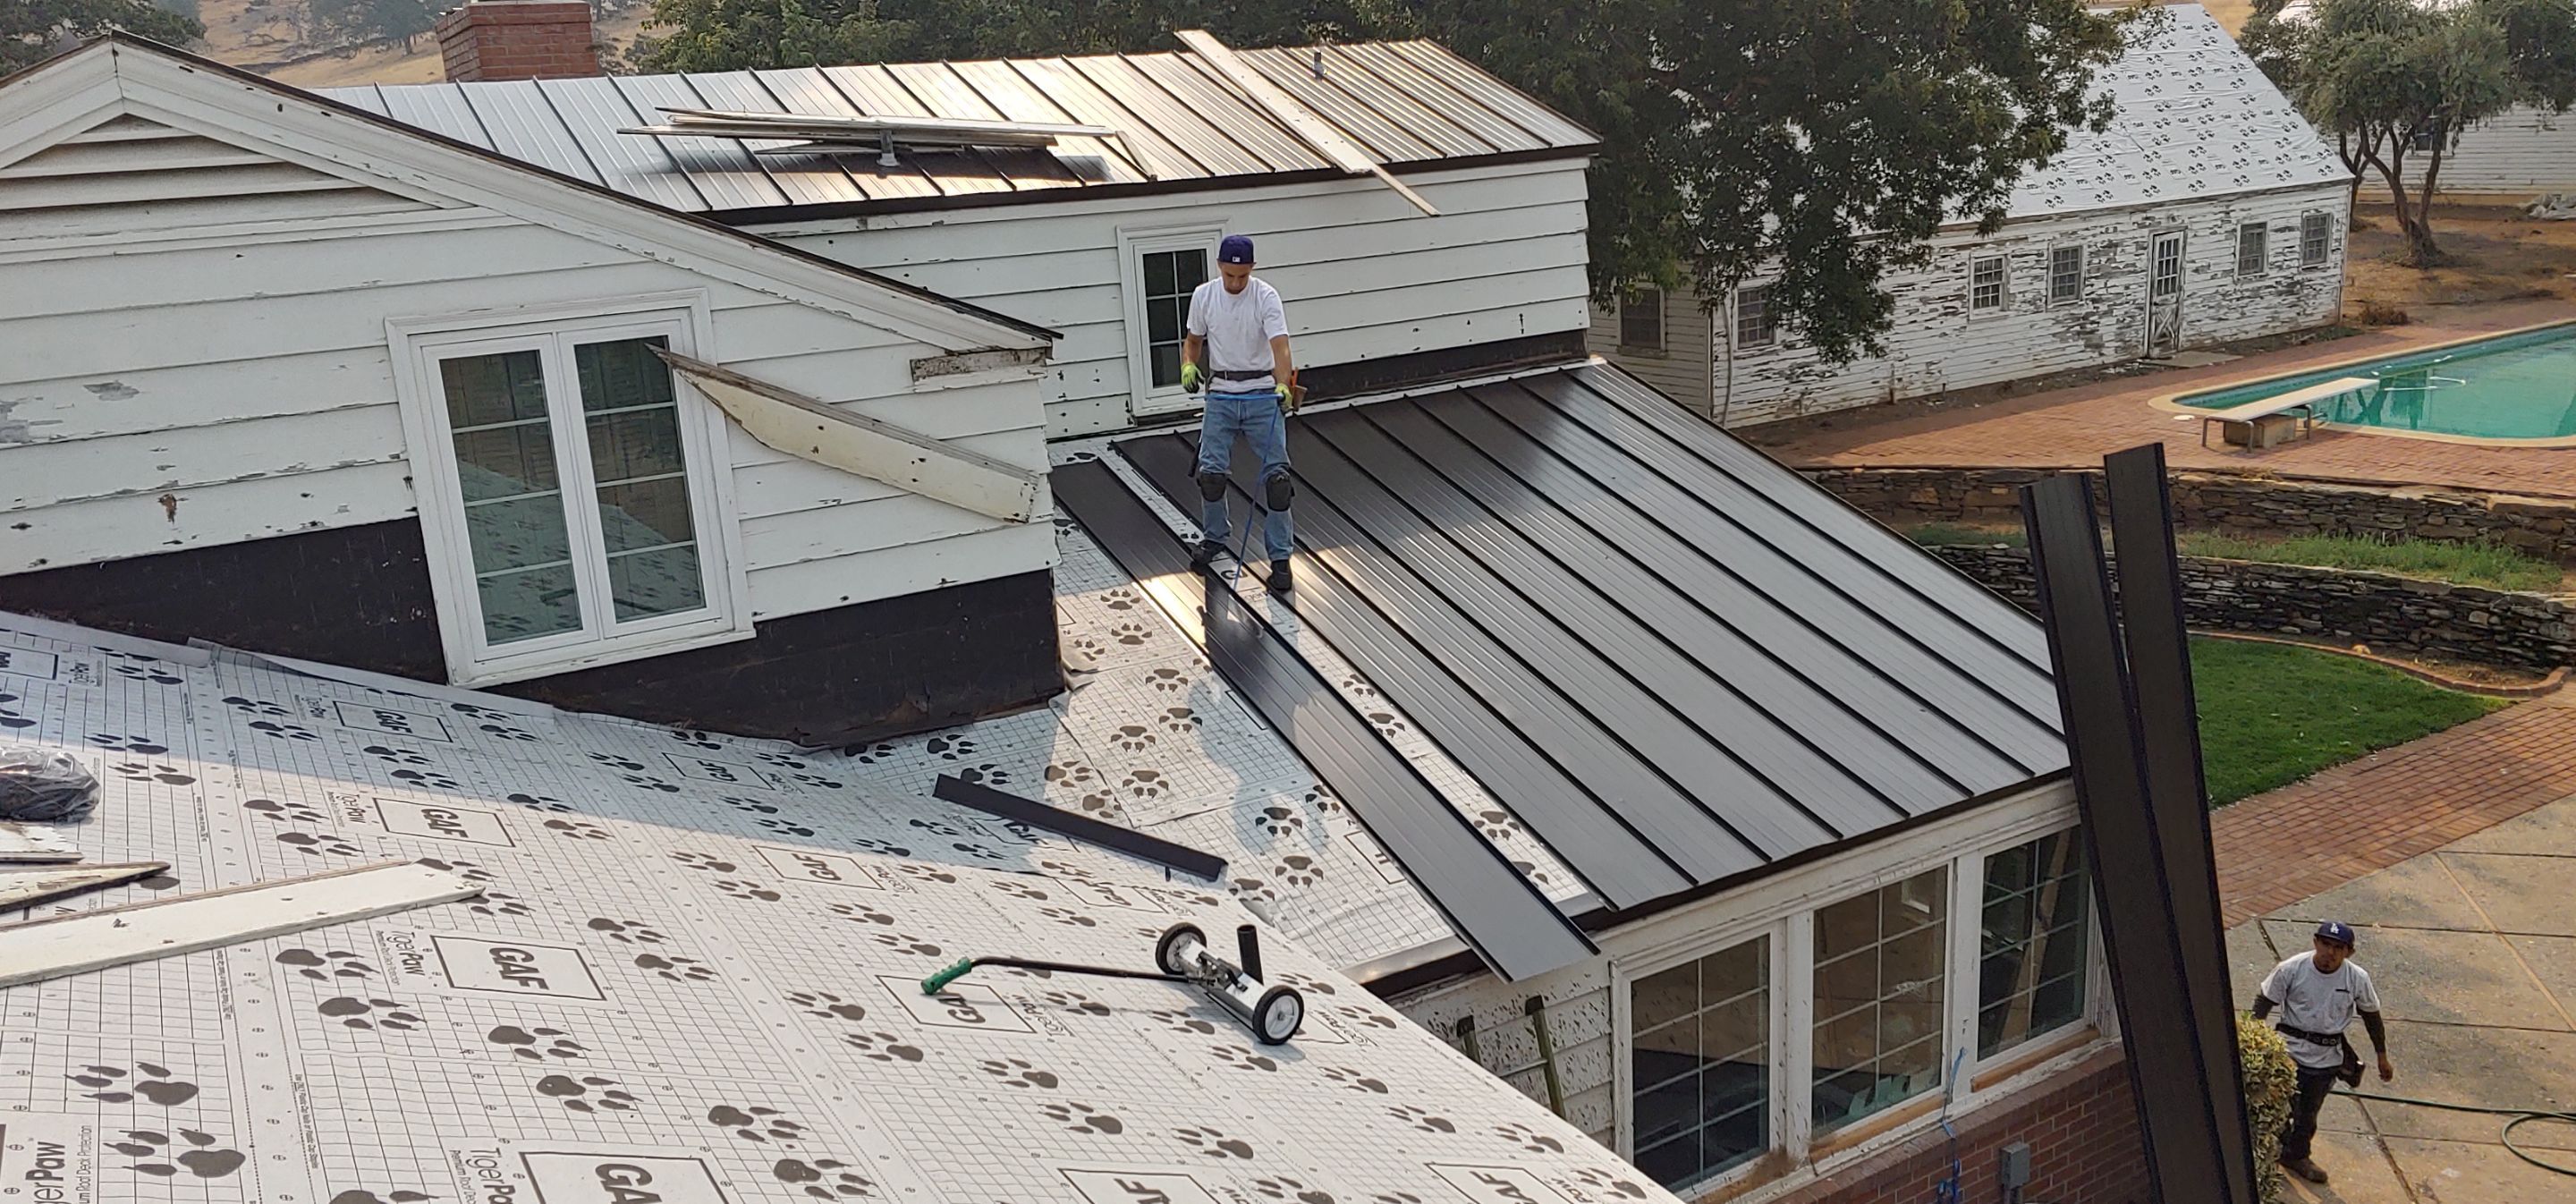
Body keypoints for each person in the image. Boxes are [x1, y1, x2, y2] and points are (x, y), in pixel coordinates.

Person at [1181, 233, 1300, 594]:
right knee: (1211, 476)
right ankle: (1215, 536)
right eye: (1230, 275)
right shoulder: (1204, 296)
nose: (1235, 282)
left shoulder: (1265, 296)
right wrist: (1188, 365)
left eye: (1242, 276)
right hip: (1221, 393)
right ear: (1220, 267)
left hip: (1262, 394)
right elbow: (1193, 341)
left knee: (1278, 482)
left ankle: (1280, 557)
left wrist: (1284, 385)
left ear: (1251, 269)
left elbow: (1280, 347)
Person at [2251, 920, 2394, 1185]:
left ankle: (2297, 1156)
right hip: (2288, 1052)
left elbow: (2372, 1016)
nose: (2330, 952)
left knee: (2308, 1113)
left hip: (2326, 1058)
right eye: (2325, 944)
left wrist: (2381, 1055)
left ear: (2349, 952)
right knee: (2276, 1109)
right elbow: (2263, 1002)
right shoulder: (2291, 969)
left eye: (2338, 948)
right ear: (2315, 942)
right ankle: (2266, 1157)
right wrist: (2251, 1042)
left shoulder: (2357, 979)